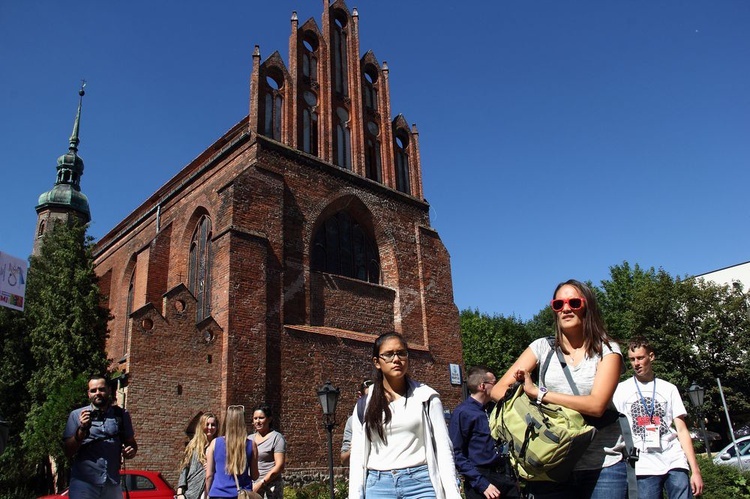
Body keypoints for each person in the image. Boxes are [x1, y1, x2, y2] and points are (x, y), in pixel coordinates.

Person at [490, 279, 626, 499]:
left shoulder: (608, 350)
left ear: (587, 307)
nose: (565, 309)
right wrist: (525, 396)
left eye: (574, 302)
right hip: (550, 466)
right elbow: (498, 391)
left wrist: (540, 394)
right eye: (558, 304)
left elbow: (597, 405)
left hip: (602, 464)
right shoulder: (541, 347)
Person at [348, 332, 461, 499]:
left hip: (420, 483)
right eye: (388, 354)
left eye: (401, 353)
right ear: (377, 362)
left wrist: (453, 493)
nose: (396, 359)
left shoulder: (427, 398)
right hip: (378, 485)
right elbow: (357, 455)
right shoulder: (364, 405)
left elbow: (444, 448)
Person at [613, 336, 704, 498]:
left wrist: (695, 471)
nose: (636, 363)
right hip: (643, 464)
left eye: (640, 358)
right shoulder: (621, 390)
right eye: (632, 359)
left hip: (674, 459)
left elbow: (682, 430)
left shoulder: (668, 388)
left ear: (651, 357)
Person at [449, 366, 520, 499]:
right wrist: (482, 484)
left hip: (506, 477)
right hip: (482, 481)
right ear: (482, 386)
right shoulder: (463, 413)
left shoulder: (496, 409)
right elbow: (456, 453)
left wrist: (513, 478)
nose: (499, 387)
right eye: (495, 383)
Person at [63, 375, 138, 499]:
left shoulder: (121, 415)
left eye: (101, 389)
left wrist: (131, 451)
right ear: (88, 394)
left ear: (109, 390)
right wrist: (82, 429)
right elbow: (68, 451)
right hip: (84, 483)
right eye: (93, 390)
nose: (97, 393)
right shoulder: (76, 415)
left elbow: (132, 443)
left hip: (112, 482)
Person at [206, 405, 260, 499]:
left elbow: (209, 475)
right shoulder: (251, 445)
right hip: (241, 495)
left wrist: (206, 494)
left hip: (218, 494)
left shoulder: (215, 443)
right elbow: (255, 476)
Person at [177, 412, 220, 499]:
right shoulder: (193, 446)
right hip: (192, 492)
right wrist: (180, 492)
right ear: (201, 426)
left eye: (213, 425)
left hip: (212, 490)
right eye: (207, 424)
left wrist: (213, 467)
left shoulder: (219, 446)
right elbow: (185, 468)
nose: (210, 428)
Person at [249, 404, 286, 498]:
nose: (258, 421)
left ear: (269, 419)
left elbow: (279, 466)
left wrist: (262, 482)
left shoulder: (276, 438)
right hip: (252, 486)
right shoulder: (249, 439)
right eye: (255, 418)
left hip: (270, 487)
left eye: (261, 418)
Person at [341, 379, 373, 466]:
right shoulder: (353, 421)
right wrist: (355, 448)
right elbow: (343, 459)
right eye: (368, 397)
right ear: (360, 396)